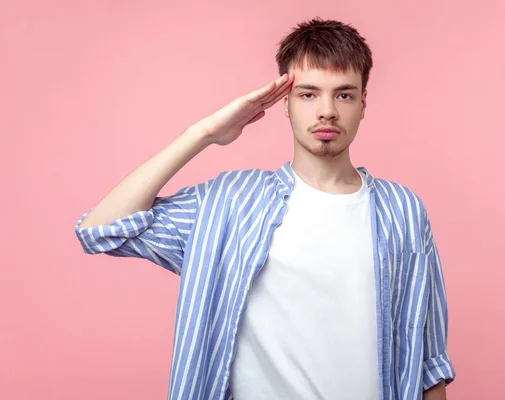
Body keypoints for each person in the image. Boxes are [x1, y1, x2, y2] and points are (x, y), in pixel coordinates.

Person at [75, 17, 456, 400]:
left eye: (343, 95)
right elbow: (102, 230)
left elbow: (428, 363)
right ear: (285, 104)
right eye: (308, 94)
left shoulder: (403, 210)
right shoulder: (231, 204)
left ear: (362, 104)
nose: (327, 111)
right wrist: (203, 134)